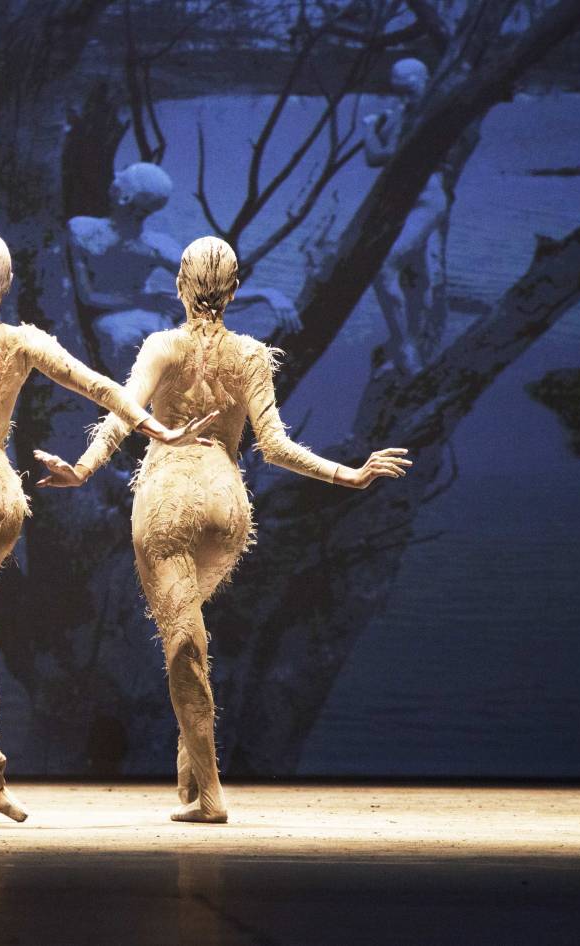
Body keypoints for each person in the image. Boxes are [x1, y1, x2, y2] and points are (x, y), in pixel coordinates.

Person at [36, 236, 411, 823]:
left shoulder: (162, 346)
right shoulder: (253, 355)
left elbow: (123, 416)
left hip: (168, 497)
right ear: (234, 290)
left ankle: (209, 794)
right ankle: (192, 761)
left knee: (183, 644)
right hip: (226, 505)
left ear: (180, 285)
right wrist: (349, 473)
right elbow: (277, 447)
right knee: (190, 633)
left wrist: (81, 470)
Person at [0, 233, 212, 825]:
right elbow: (96, 384)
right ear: (6, 283)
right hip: (5, 500)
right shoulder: (24, 342)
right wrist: (150, 425)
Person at [68, 162, 298, 377]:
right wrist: (144, 301)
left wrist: (265, 294)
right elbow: (87, 297)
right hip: (118, 319)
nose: (115, 178)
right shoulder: (82, 231)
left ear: (123, 196)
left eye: (122, 179)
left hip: (141, 319)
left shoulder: (150, 245)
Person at [362, 57, 450, 373]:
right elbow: (377, 158)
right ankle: (408, 343)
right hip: (404, 201)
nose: (401, 95)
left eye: (407, 87)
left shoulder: (435, 109)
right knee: (419, 277)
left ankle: (405, 345)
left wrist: (369, 128)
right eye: (396, 89)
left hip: (426, 201)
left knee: (385, 267)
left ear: (424, 79)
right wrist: (386, 123)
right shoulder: (404, 112)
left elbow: (378, 155)